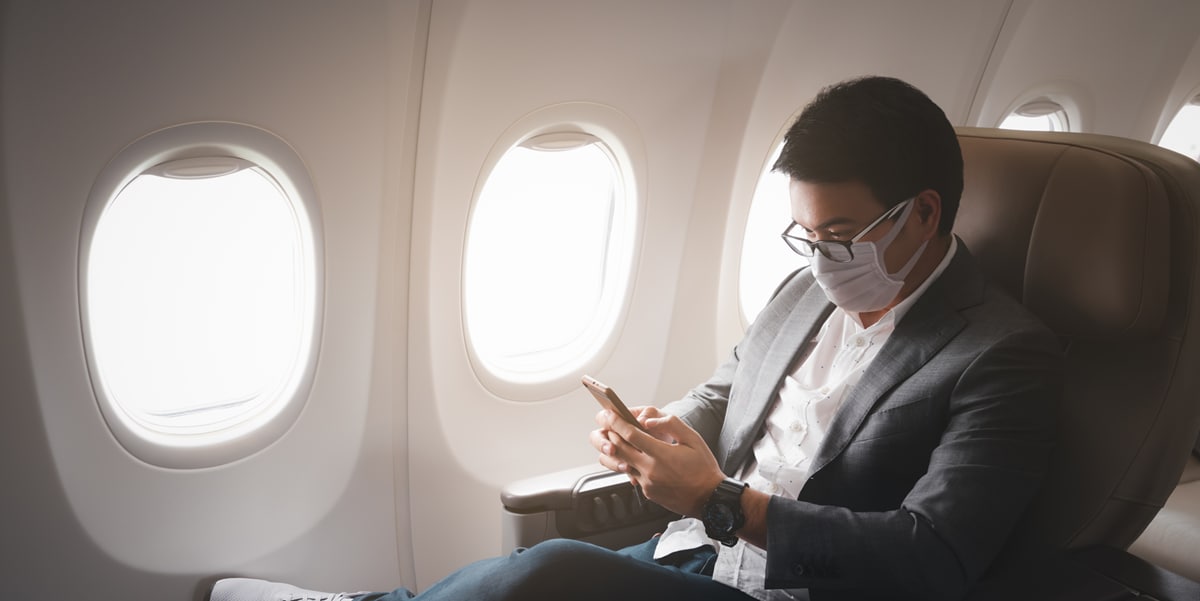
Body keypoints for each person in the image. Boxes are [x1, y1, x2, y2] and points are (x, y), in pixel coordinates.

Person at [210, 75, 1062, 601]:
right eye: (805, 234)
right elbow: (728, 395)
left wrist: (725, 502)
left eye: (839, 234)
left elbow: (933, 559)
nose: (820, 259)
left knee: (547, 576)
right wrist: (660, 435)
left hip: (791, 589)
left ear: (921, 213)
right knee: (558, 568)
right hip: (698, 553)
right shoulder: (805, 290)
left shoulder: (1000, 356)